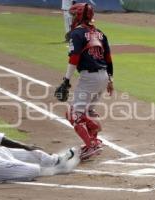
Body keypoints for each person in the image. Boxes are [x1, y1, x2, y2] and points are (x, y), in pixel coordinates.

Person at [54, 3, 114, 161]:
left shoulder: (77, 33)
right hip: (103, 77)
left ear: (80, 16)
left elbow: (74, 59)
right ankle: (94, 138)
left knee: (73, 115)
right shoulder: (100, 33)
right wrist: (110, 79)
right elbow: (108, 58)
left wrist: (66, 80)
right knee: (86, 112)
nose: (72, 18)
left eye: (74, 15)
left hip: (89, 78)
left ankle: (91, 145)